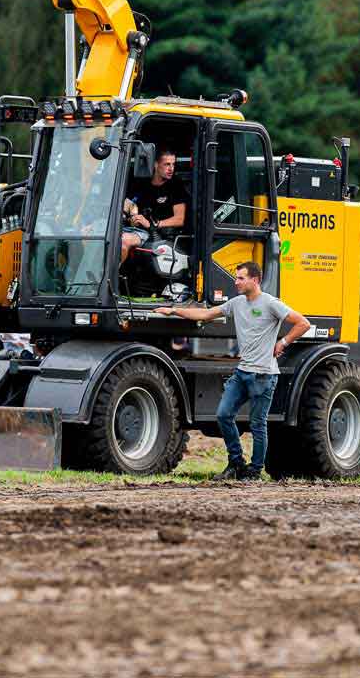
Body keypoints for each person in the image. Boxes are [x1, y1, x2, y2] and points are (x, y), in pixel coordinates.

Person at [154, 261, 310, 480]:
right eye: (236, 277)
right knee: (224, 415)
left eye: (240, 278)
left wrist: (282, 343)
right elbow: (206, 314)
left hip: (263, 375)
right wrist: (173, 311)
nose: (235, 282)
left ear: (255, 280)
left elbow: (303, 323)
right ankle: (236, 463)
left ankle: (254, 472)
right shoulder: (236, 303)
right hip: (242, 372)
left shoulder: (271, 304)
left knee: (257, 425)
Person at [121, 150, 187, 263]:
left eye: (173, 164)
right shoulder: (141, 182)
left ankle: (108, 278)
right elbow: (127, 204)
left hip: (149, 233)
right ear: (156, 164)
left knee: (122, 242)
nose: (171, 168)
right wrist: (130, 215)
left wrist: (152, 224)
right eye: (167, 164)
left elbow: (179, 219)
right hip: (128, 226)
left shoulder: (176, 185)